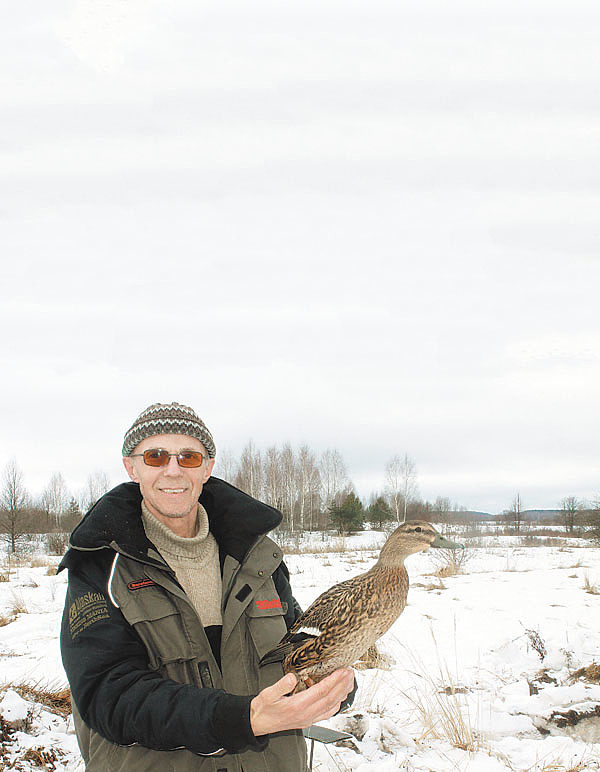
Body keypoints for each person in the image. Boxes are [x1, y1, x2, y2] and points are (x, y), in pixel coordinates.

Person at [60, 402, 355, 771]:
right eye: (155, 457)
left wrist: (329, 683)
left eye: (189, 457)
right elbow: (108, 694)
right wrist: (241, 719)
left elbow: (295, 651)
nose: (173, 470)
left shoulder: (257, 557)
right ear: (131, 467)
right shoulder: (101, 564)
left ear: (207, 467)